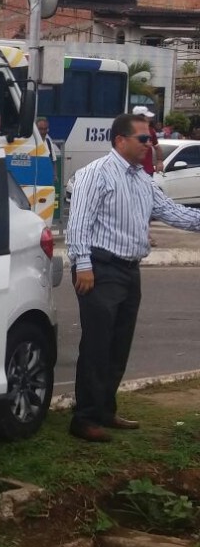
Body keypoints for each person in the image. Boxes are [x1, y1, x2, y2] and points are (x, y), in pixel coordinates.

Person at [66, 112, 200, 443]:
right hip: (100, 268)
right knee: (97, 345)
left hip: (129, 270)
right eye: (144, 139)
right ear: (120, 140)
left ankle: (105, 410)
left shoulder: (141, 179)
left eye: (151, 138)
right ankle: (84, 418)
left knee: (118, 345)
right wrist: (83, 264)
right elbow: (78, 223)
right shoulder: (96, 175)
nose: (149, 144)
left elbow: (173, 212)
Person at [133, 106, 163, 176]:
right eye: (147, 117)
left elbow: (157, 147)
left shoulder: (151, 131)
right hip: (133, 171)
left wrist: (159, 161)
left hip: (147, 170)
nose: (150, 119)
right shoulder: (129, 131)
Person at [37, 117, 59, 186]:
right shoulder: (31, 143)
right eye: (40, 129)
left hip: (46, 180)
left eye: (45, 129)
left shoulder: (49, 143)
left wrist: (55, 175)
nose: (43, 132)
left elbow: (53, 161)